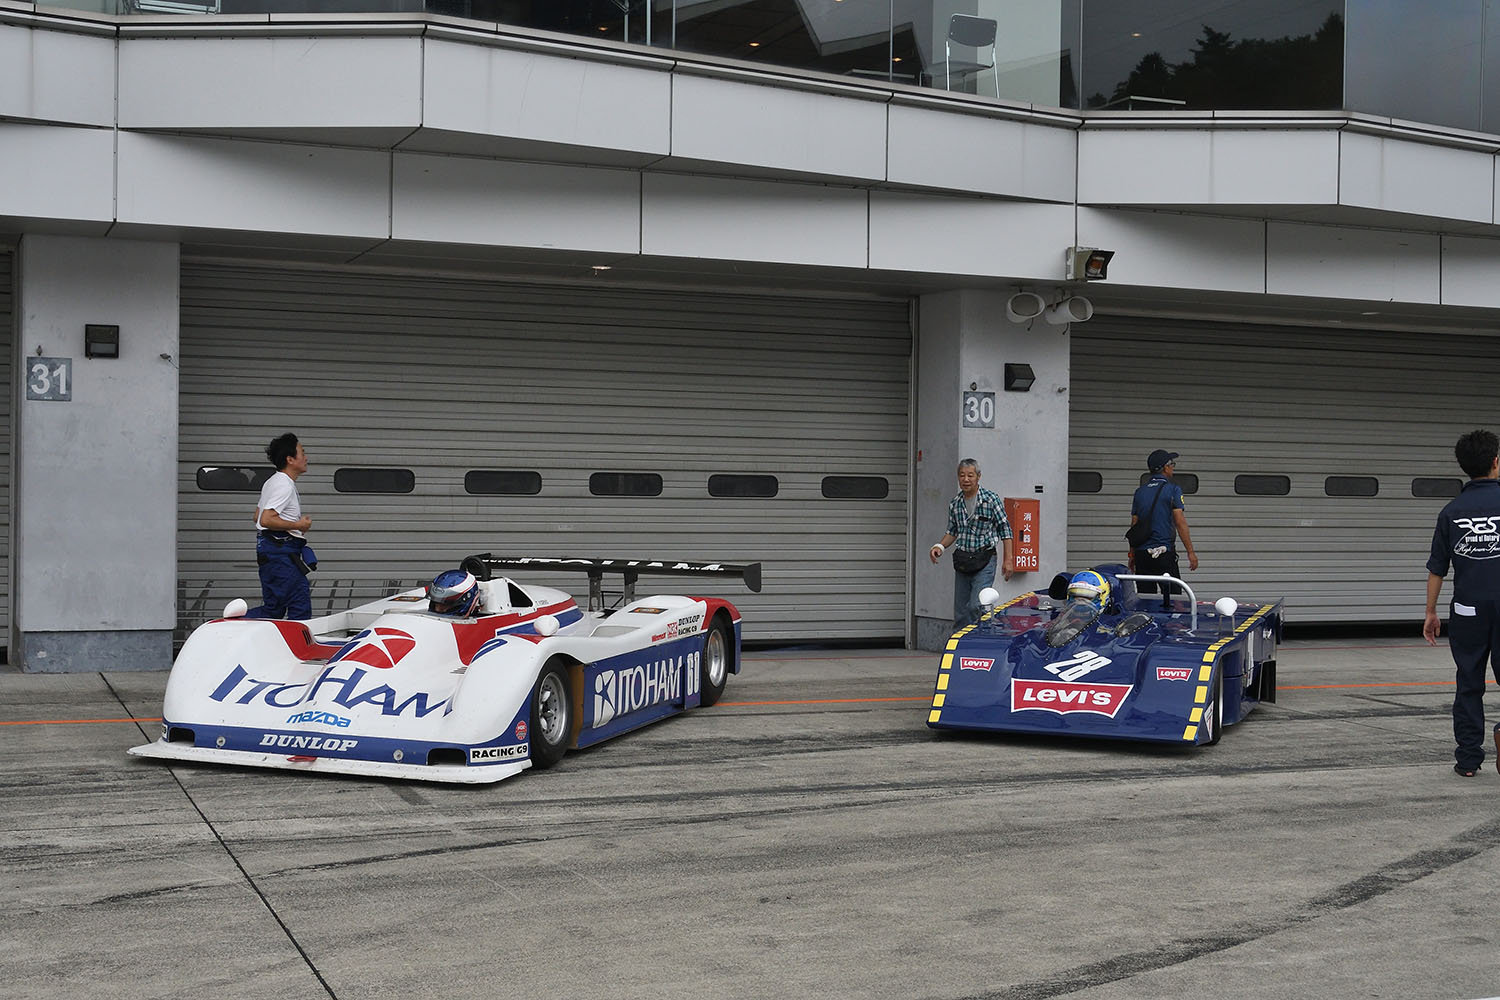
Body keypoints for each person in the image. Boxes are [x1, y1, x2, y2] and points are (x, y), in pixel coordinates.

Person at [1423, 429, 1500, 778]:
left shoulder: (1451, 512)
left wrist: (1430, 612)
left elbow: (1437, 567)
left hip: (1468, 609)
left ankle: (1469, 760)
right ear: (1496, 462)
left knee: (1469, 683)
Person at [930, 458, 1014, 628]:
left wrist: (1008, 559)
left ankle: (982, 637)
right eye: (962, 475)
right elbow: (952, 531)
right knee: (961, 610)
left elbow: (1005, 529)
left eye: (970, 475)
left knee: (977, 604)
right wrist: (939, 546)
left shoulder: (991, 499)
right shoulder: (955, 503)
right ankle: (959, 647)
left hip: (985, 558)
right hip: (963, 560)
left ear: (978, 477)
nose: (966, 479)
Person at [247, 433, 314, 620]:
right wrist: (298, 524)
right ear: (290, 459)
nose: (306, 457)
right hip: (281, 554)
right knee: (299, 606)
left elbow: (256, 516)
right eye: (302, 452)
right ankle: (298, 649)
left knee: (273, 610)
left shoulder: (272, 482)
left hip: (270, 553)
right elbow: (266, 519)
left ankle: (232, 626)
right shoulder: (284, 485)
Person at [1128, 449, 1198, 607]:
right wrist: (1191, 552)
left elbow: (1134, 526)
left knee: (1146, 600)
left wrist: (1132, 554)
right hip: (1164, 554)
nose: (1173, 467)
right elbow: (1180, 522)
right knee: (1174, 601)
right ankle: (1171, 630)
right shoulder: (1173, 490)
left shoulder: (1139, 492)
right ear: (1165, 468)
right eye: (1172, 464)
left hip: (1142, 556)